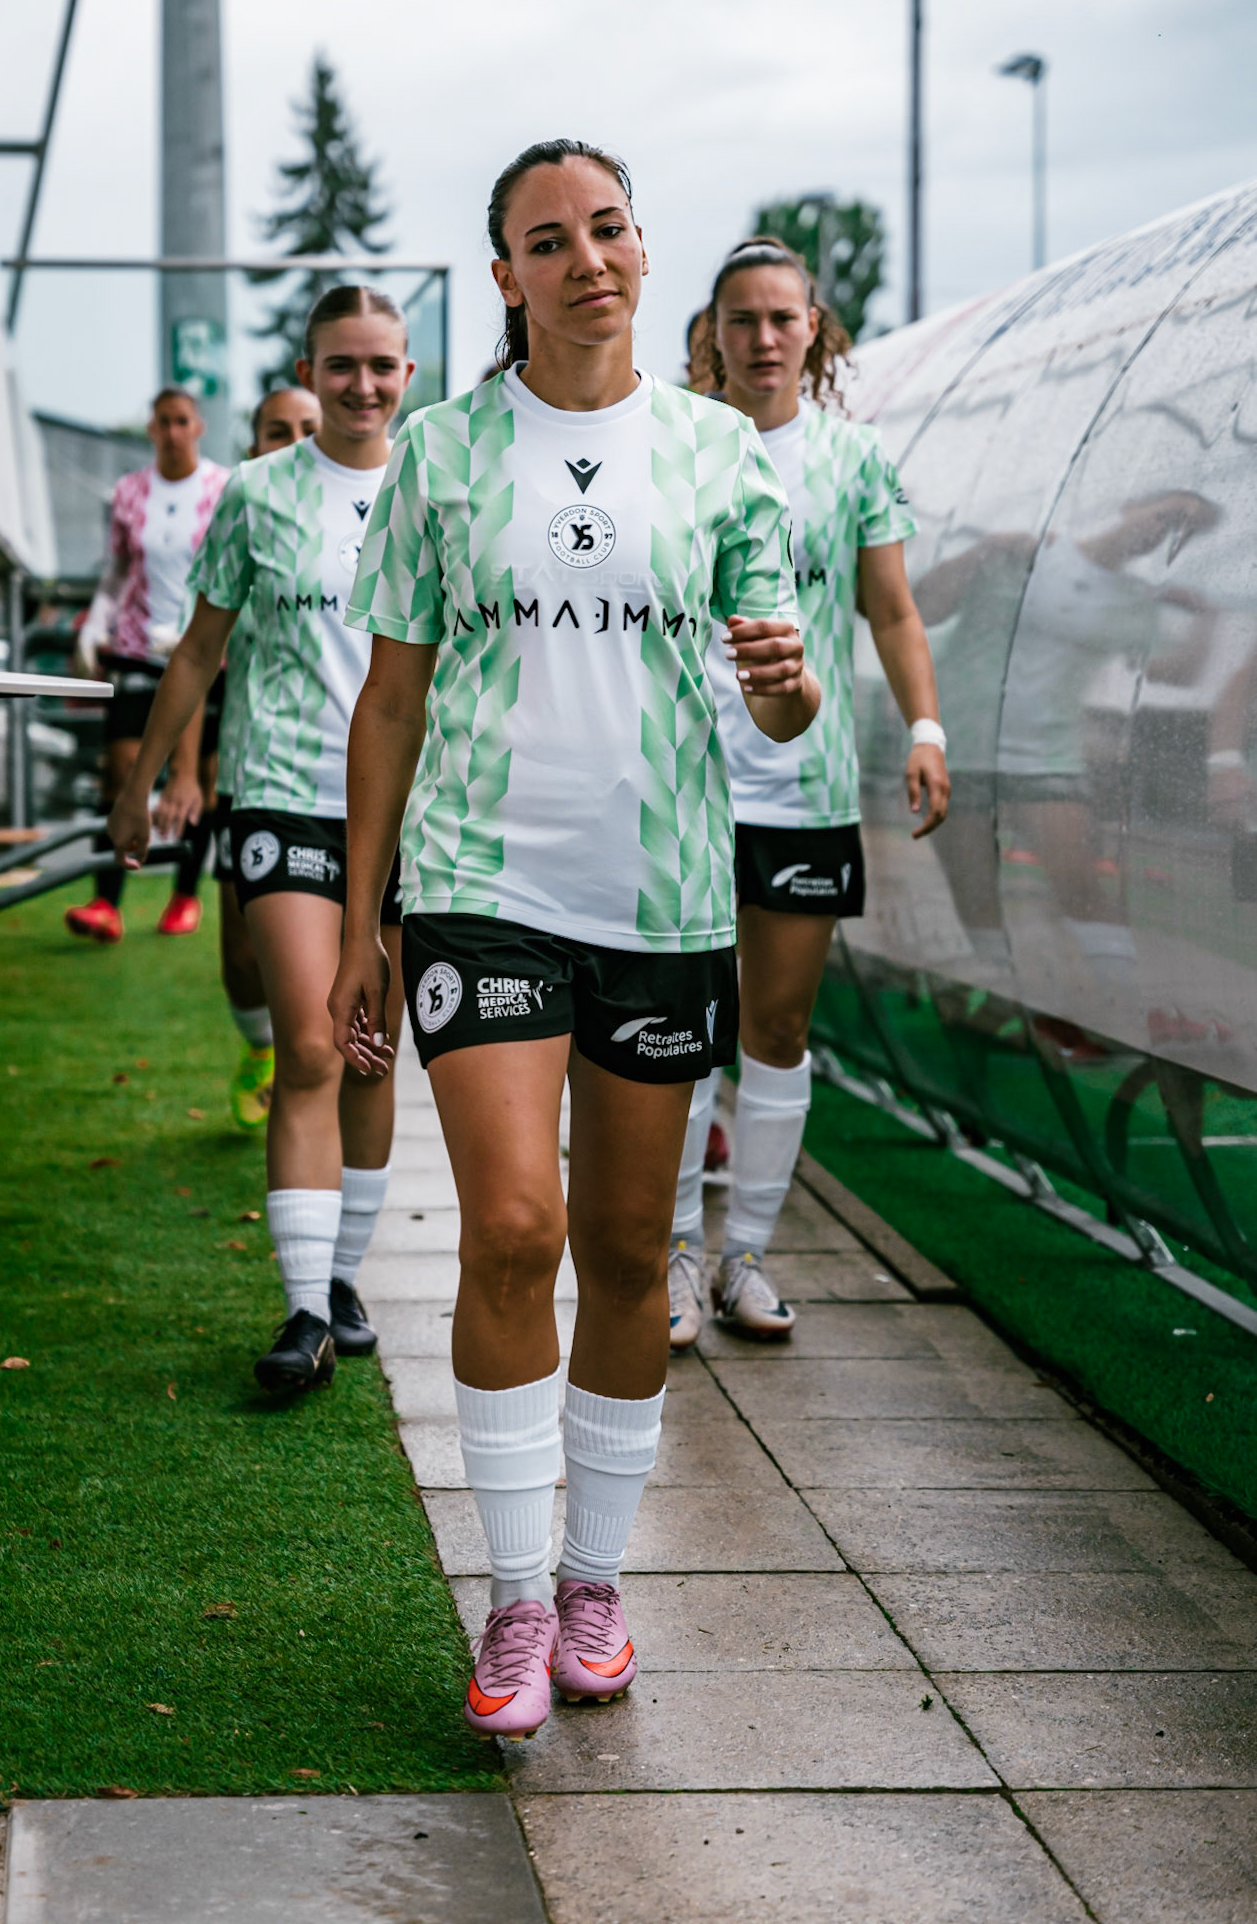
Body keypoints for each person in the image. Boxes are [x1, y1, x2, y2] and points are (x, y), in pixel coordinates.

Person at [329, 142, 818, 1741]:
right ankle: (518, 1597)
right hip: (480, 881)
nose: (588, 259)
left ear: (638, 248)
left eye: (608, 229)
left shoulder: (720, 456)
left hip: (665, 896)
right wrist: (363, 919)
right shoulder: (446, 454)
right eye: (551, 240)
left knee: (622, 1252)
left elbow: (783, 693)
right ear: (507, 277)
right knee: (516, 1230)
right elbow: (388, 697)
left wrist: (786, 684)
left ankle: (601, 1580)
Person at [107, 289, 416, 1385]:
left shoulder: (442, 492)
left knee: (374, 1059)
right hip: (283, 792)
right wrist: (143, 782)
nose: (362, 385)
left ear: (409, 373)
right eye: (342, 366)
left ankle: (341, 1274)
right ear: (310, 368)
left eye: (382, 365)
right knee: (315, 1043)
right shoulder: (257, 495)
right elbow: (197, 651)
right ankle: (301, 1312)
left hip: (410, 812)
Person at [669, 238, 949, 1348]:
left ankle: (746, 1257)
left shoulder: (854, 458)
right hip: (684, 788)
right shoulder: (679, 450)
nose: (764, 338)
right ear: (715, 336)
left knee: (775, 1030)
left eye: (785, 319)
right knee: (684, 1032)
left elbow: (891, 609)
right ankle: (676, 1256)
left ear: (815, 331)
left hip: (805, 789)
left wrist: (926, 726)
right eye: (742, 319)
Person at [160, 385, 324, 1133]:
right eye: (275, 430)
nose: (292, 442)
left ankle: (305, 1076)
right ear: (254, 443)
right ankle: (260, 1049)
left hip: (355, 784)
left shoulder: (367, 516)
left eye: (305, 428)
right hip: (257, 768)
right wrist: (185, 774)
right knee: (240, 956)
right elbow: (202, 658)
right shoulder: (249, 516)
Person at [68, 387, 229, 943]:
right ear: (151, 429)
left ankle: (184, 894)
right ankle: (105, 900)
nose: (172, 431)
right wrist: (95, 623)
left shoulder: (222, 488)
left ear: (199, 427)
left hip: (208, 653)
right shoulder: (129, 492)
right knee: (122, 770)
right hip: (139, 648)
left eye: (182, 420)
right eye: (162, 422)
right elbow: (116, 570)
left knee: (202, 781)